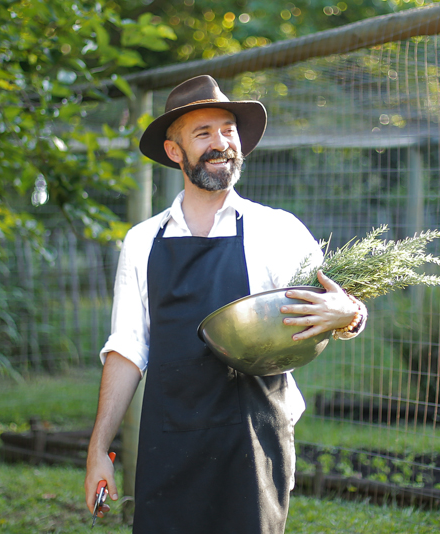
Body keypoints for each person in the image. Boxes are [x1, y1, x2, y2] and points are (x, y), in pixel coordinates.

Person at [84, 75, 367, 534]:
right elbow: (127, 349)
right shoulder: (142, 242)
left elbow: (339, 303)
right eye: (204, 134)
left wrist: (350, 314)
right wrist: (98, 449)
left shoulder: (275, 229)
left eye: (228, 130)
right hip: (168, 439)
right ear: (175, 152)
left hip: (253, 438)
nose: (222, 144)